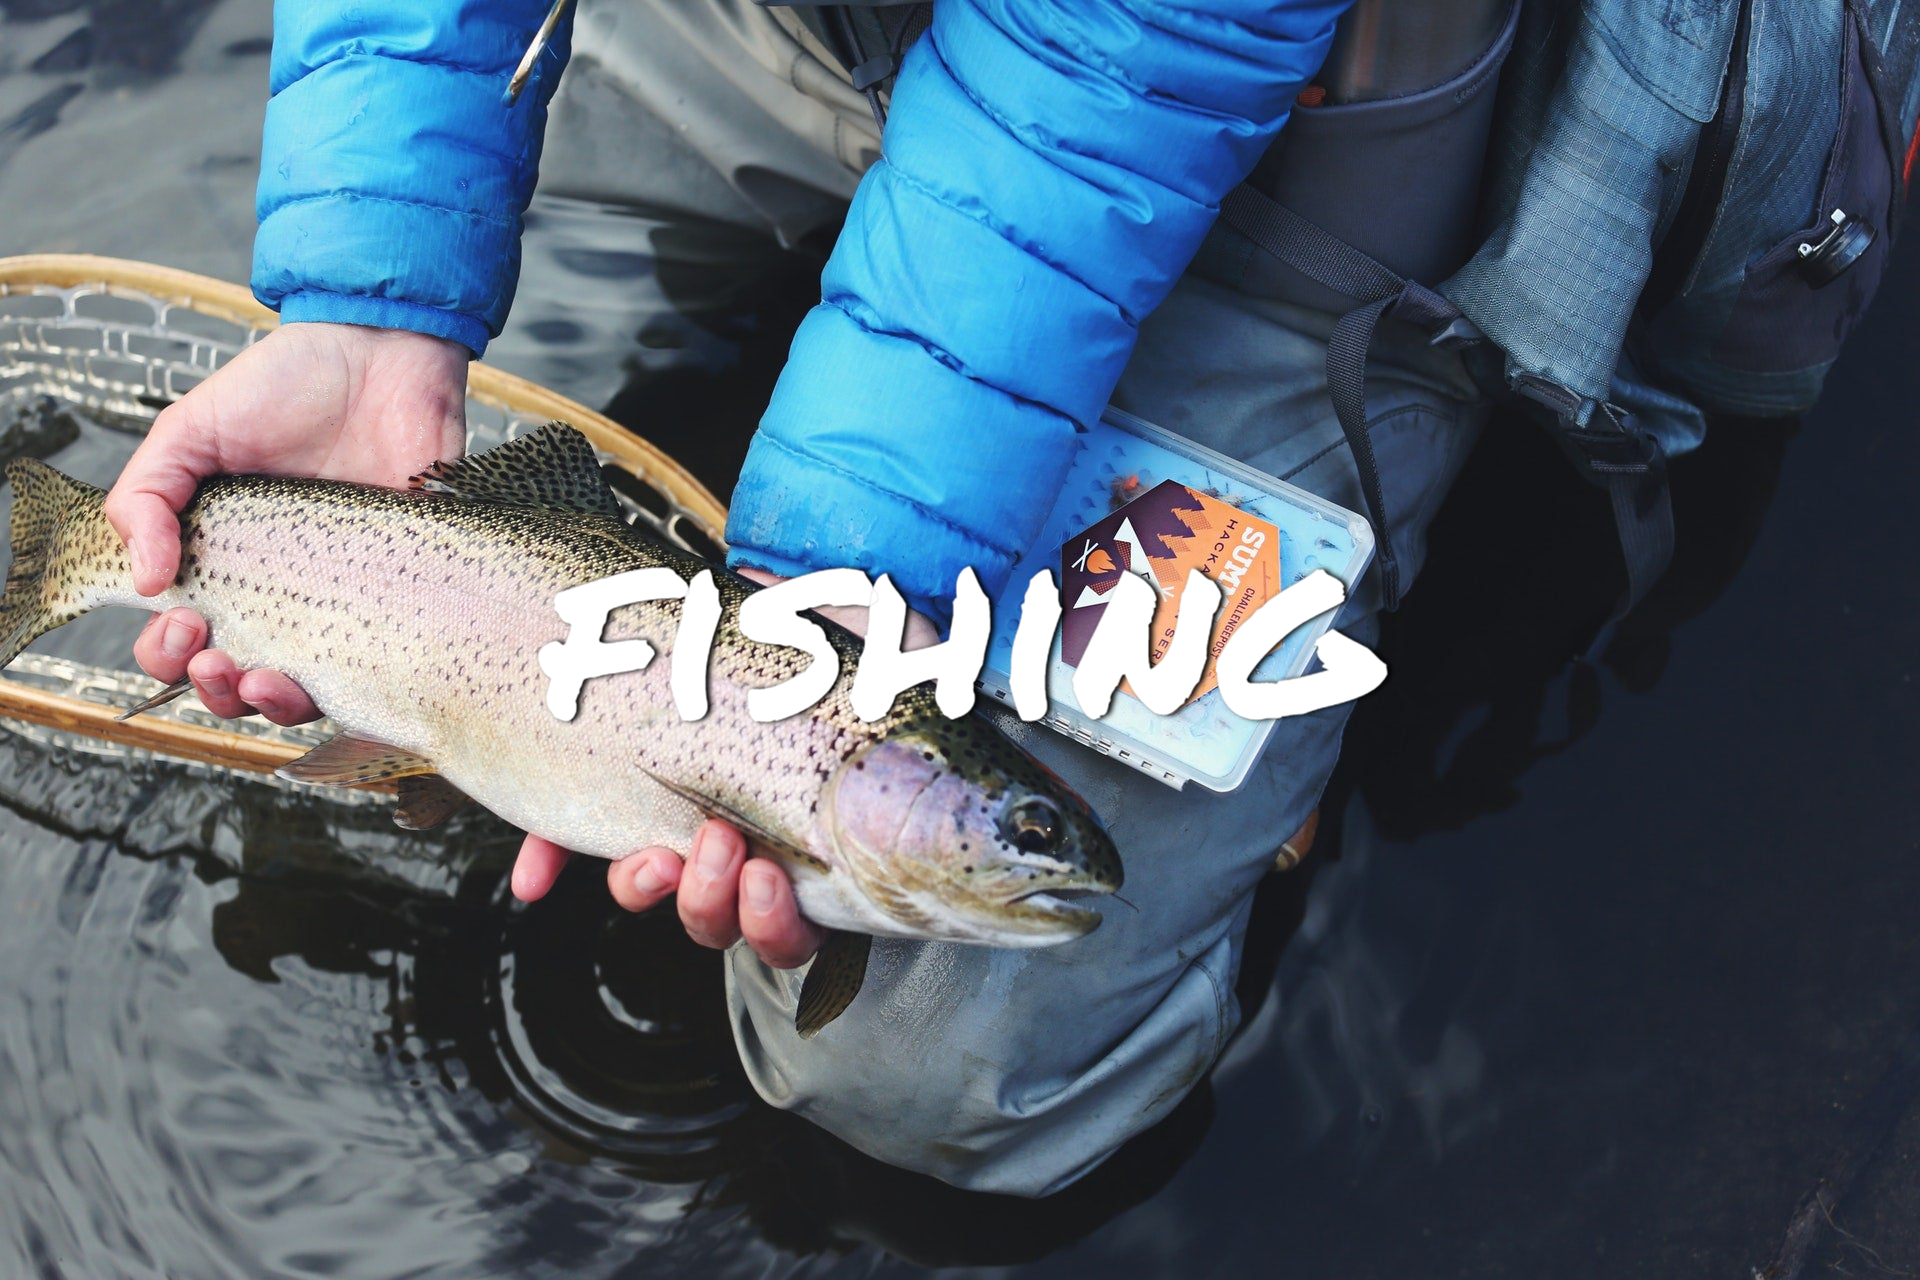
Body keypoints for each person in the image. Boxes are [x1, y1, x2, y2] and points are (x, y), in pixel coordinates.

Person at [100, 0, 1516, 1195]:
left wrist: (856, 564)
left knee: (934, 1071)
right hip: (836, 32)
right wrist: (370, 292)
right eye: (1021, 826)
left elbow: (1104, 74)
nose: (1027, 841)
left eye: (1020, 826)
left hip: (1240, 153)